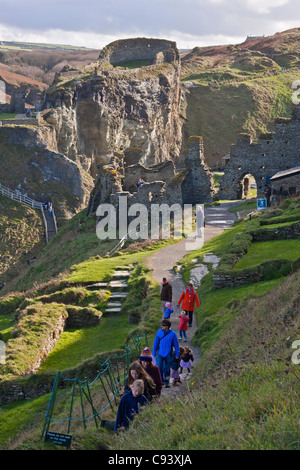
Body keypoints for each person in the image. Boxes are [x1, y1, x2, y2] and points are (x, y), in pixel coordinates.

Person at [152, 319, 180, 388]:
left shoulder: (173, 334)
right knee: (159, 368)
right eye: (161, 325)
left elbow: (176, 345)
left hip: (168, 355)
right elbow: (155, 343)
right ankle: (161, 382)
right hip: (160, 354)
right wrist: (154, 353)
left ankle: (166, 382)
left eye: (163, 325)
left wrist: (177, 354)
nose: (161, 326)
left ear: (167, 326)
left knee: (167, 369)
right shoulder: (159, 332)